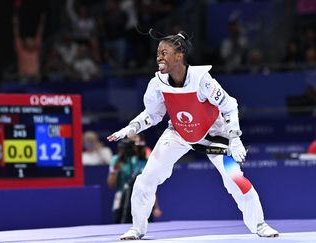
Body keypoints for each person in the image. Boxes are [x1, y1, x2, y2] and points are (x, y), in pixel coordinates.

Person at [107, 30, 279, 240]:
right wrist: (130, 129)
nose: (159, 57)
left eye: (164, 52)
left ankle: (259, 224)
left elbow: (229, 104)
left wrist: (234, 137)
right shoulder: (157, 82)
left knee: (235, 179)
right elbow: (152, 115)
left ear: (179, 56)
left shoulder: (201, 80)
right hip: (179, 133)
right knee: (146, 179)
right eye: (158, 53)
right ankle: (137, 229)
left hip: (213, 134)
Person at [107, 138, 161, 224]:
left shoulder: (143, 159)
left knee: (144, 223)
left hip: (142, 198)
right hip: (122, 198)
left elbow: (149, 184)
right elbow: (111, 184)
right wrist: (115, 168)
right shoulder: (116, 159)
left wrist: (155, 207)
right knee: (121, 222)